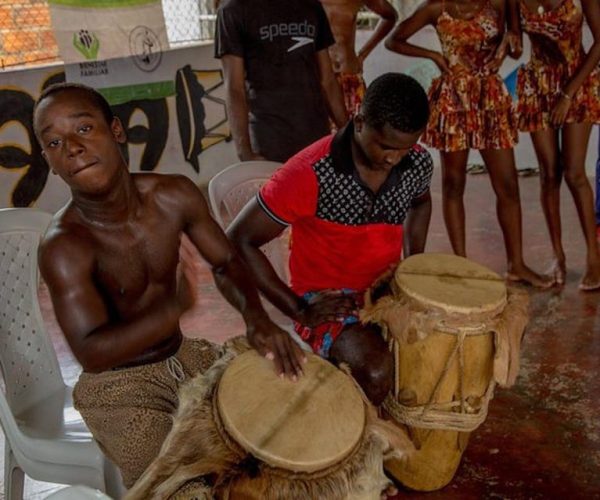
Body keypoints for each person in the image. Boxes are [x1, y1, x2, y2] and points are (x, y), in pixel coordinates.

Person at [33, 83, 305, 489]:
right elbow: (92, 352)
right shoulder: (64, 245)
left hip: (186, 359)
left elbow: (227, 260)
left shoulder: (173, 195)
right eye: (55, 142)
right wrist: (171, 309)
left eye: (84, 129)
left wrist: (257, 319)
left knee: (281, 445)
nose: (71, 147)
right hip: (118, 391)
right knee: (184, 490)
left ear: (116, 130)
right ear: (50, 161)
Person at [228, 73, 433, 406]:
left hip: (384, 287)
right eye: (385, 146)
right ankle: (359, 448)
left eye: (405, 148)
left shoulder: (417, 162)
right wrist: (298, 309)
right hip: (326, 298)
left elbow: (421, 203)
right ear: (360, 121)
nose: (394, 158)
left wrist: (411, 267)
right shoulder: (310, 173)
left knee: (439, 351)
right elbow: (238, 240)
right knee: (377, 372)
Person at [385, 0, 551, 287]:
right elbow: (393, 40)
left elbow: (516, 46)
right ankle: (461, 263)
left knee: (508, 185)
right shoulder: (435, 8)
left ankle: (517, 264)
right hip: (453, 99)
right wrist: (435, 56)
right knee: (453, 183)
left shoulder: (499, 3)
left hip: (490, 98)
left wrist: (506, 47)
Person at [507, 0, 600, 289]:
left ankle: (594, 259)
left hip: (577, 82)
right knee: (549, 173)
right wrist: (511, 44)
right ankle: (558, 257)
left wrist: (568, 94)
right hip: (537, 85)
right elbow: (515, 44)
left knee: (573, 171)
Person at [215, 0, 348, 163]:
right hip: (269, 142)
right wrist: (244, 152)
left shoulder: (311, 6)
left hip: (316, 138)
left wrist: (348, 134)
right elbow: (234, 88)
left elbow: (328, 80)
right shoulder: (232, 10)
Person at [319, 0, 398, 116]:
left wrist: (363, 54)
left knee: (355, 130)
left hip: (349, 75)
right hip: (317, 80)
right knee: (319, 132)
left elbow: (390, 16)